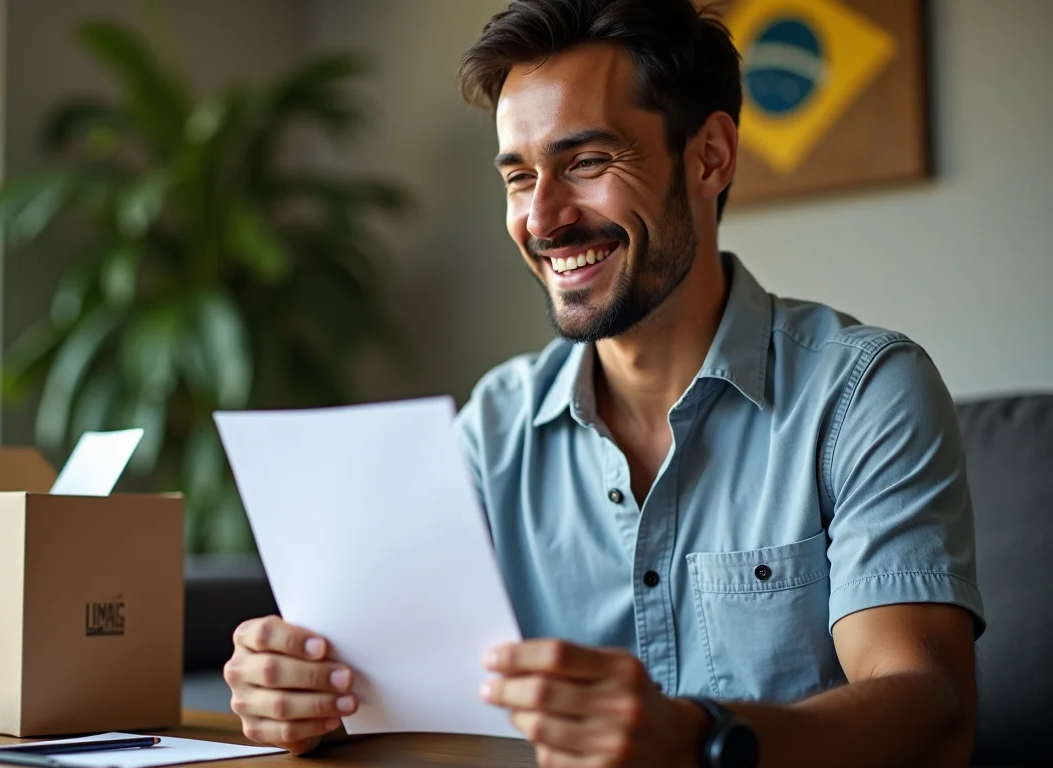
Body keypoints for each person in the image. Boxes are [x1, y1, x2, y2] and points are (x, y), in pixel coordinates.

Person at [221, 1, 985, 765]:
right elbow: (401, 693)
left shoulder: (864, 392)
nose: (543, 219)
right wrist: (309, 697)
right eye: (520, 176)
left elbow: (929, 707)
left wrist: (698, 740)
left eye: (586, 162)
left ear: (710, 157)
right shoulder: (495, 427)